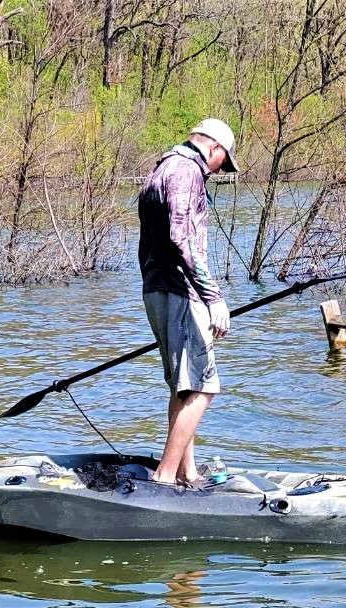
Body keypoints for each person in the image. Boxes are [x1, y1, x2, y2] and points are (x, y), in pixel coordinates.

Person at [137, 118, 240, 485]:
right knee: (204, 388)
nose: (218, 171)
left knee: (184, 386)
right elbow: (183, 239)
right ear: (213, 147)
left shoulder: (162, 168)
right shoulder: (186, 172)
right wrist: (214, 297)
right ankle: (165, 475)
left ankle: (187, 471)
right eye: (222, 162)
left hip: (157, 288)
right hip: (180, 291)